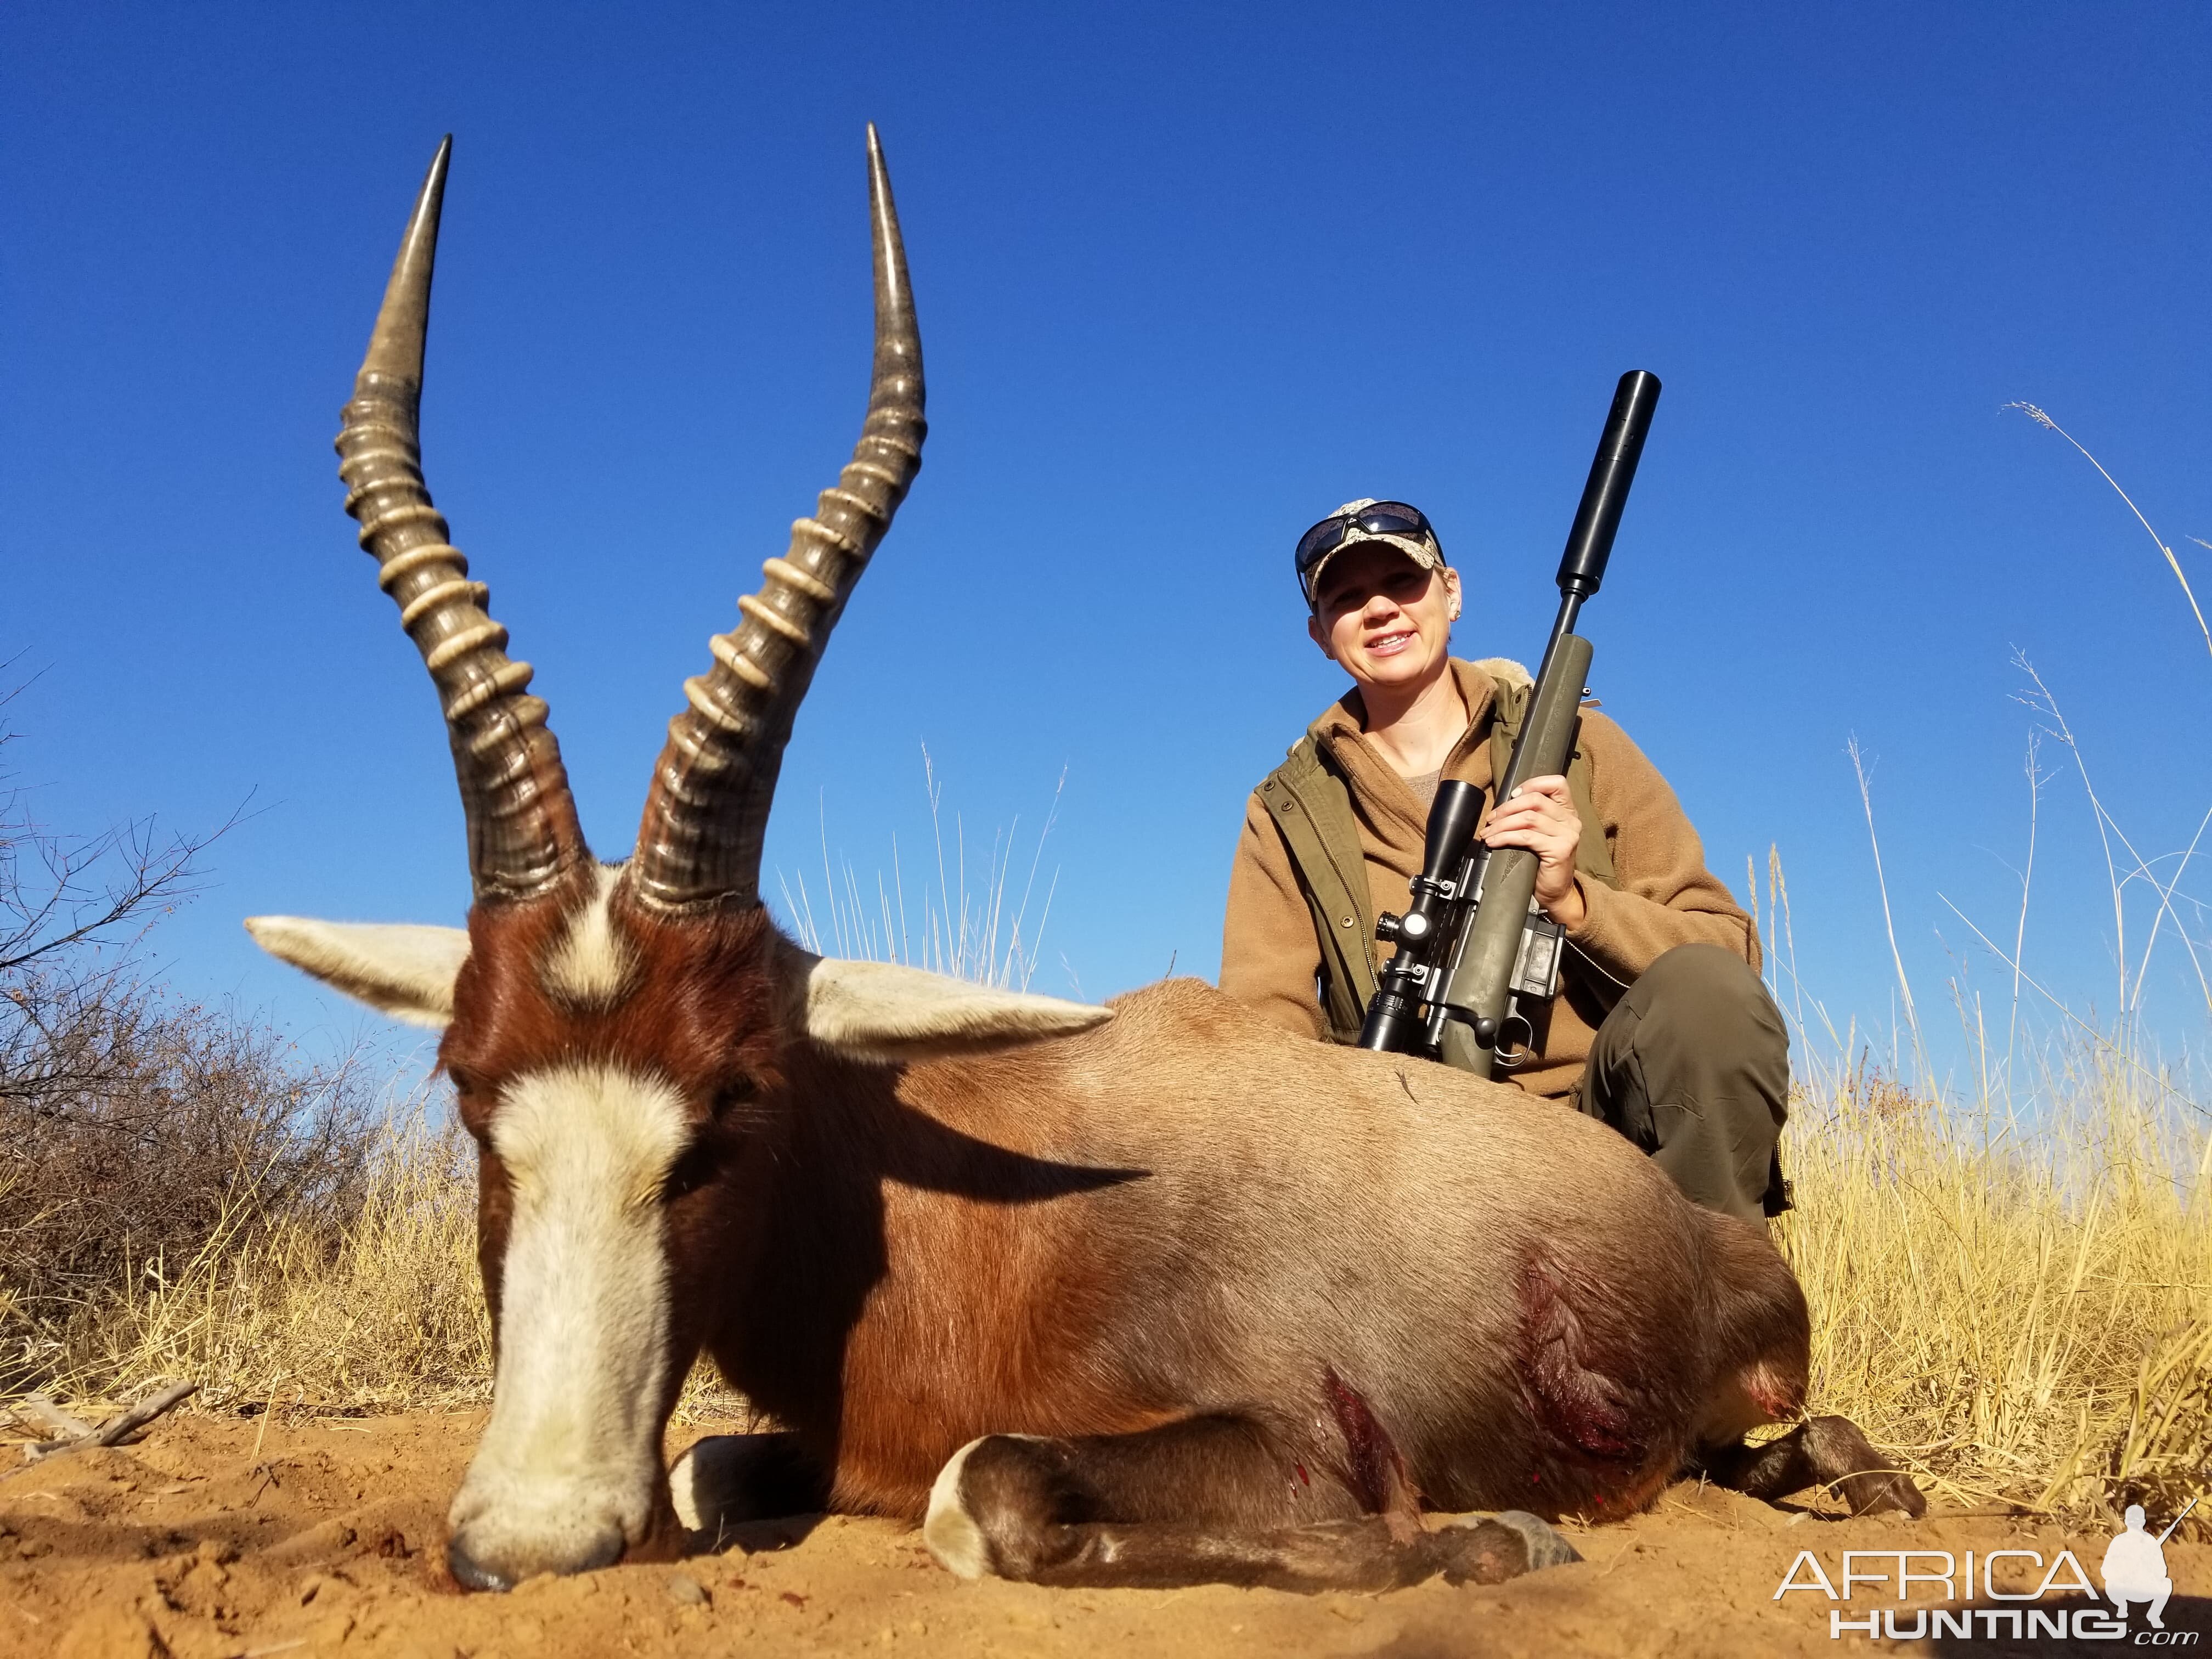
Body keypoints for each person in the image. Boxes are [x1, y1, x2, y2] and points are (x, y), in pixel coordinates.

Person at [1220, 499, 1790, 1224]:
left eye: (1403, 581)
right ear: (1320, 635)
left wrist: (1577, 903)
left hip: (1607, 1125)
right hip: (1414, 1152)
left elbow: (1728, 951)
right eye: (1348, 598)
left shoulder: (1587, 748)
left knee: (1708, 995)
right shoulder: (1287, 809)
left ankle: (1715, 1300)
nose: (1380, 609)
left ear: (1451, 593)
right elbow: (1265, 1026)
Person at [2101, 1505, 2173, 1629]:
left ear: (2126, 1522)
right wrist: (2125, 1571)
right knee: (2166, 1583)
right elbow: (2107, 1570)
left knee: (2166, 1583)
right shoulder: (2121, 1541)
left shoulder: (2149, 1542)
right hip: (2126, 1589)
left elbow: (2161, 1570)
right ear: (2143, 1522)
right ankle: (2123, 1607)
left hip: (2141, 1589)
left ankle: (2153, 1615)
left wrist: (2145, 1569)